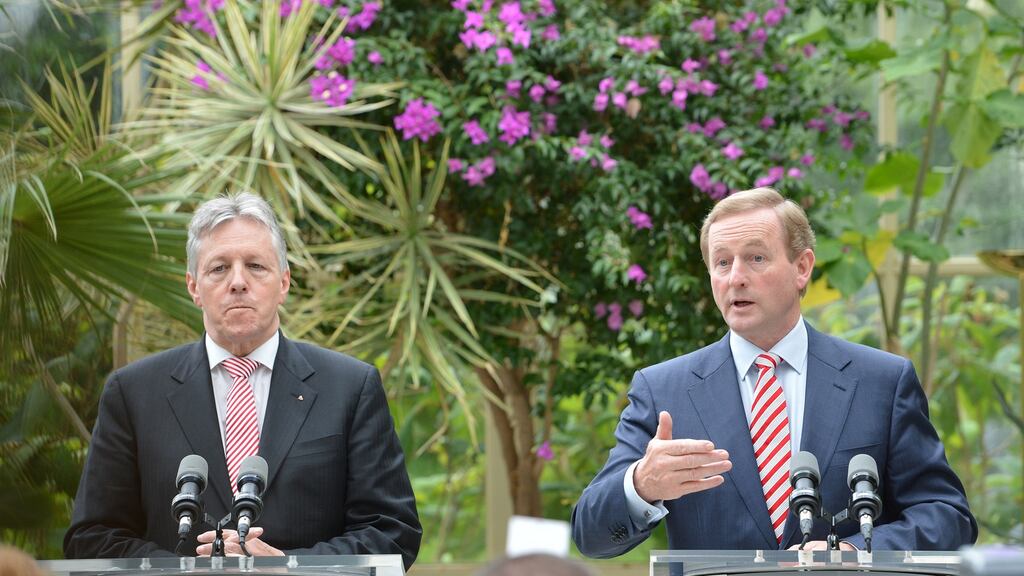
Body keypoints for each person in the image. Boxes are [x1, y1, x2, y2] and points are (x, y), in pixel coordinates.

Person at [571, 187, 976, 557]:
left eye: (756, 258)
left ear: (802, 267)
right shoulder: (663, 390)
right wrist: (642, 484)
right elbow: (590, 534)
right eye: (722, 262)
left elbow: (947, 516)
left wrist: (858, 552)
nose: (736, 278)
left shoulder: (881, 382)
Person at [63, 193, 421, 568]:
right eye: (219, 268)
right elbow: (92, 537)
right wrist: (186, 571)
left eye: (255, 266)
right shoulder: (133, 393)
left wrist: (288, 567)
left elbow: (392, 531)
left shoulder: (350, 387)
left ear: (283, 282)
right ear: (193, 287)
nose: (238, 282)